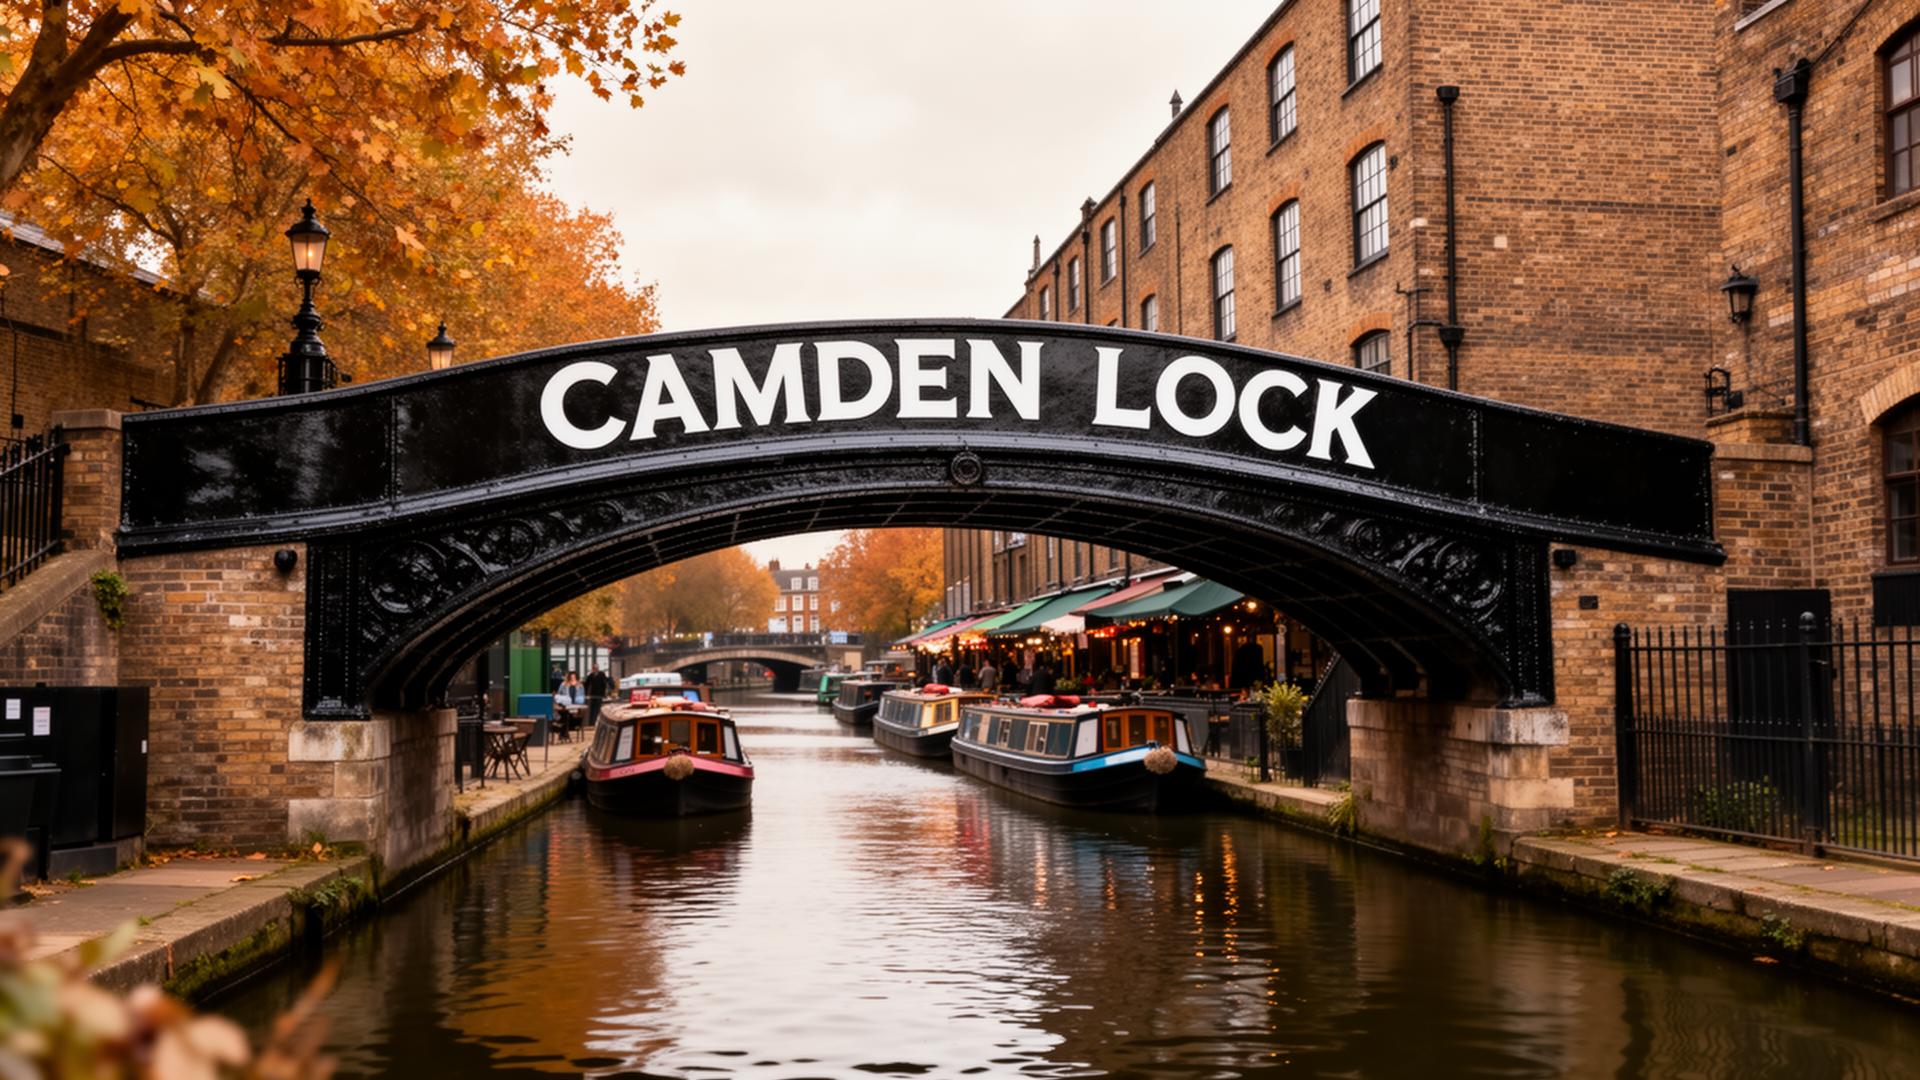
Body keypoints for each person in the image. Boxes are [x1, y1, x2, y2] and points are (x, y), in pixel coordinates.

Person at [552, 672, 585, 737]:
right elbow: (559, 695)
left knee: (571, 717)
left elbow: (581, 698)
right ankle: (564, 733)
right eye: (571, 677)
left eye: (574, 677)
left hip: (575, 706)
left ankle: (564, 733)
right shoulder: (563, 685)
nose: (572, 679)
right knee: (564, 715)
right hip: (565, 706)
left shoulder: (580, 686)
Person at [584, 663, 612, 728]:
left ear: (598, 669)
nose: (595, 669)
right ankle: (591, 724)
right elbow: (586, 684)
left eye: (597, 668)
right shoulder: (591, 675)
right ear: (593, 669)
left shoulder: (602, 674)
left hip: (599, 695)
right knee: (592, 710)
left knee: (597, 710)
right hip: (593, 695)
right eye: (594, 668)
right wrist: (586, 694)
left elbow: (604, 684)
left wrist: (604, 694)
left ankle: (597, 724)